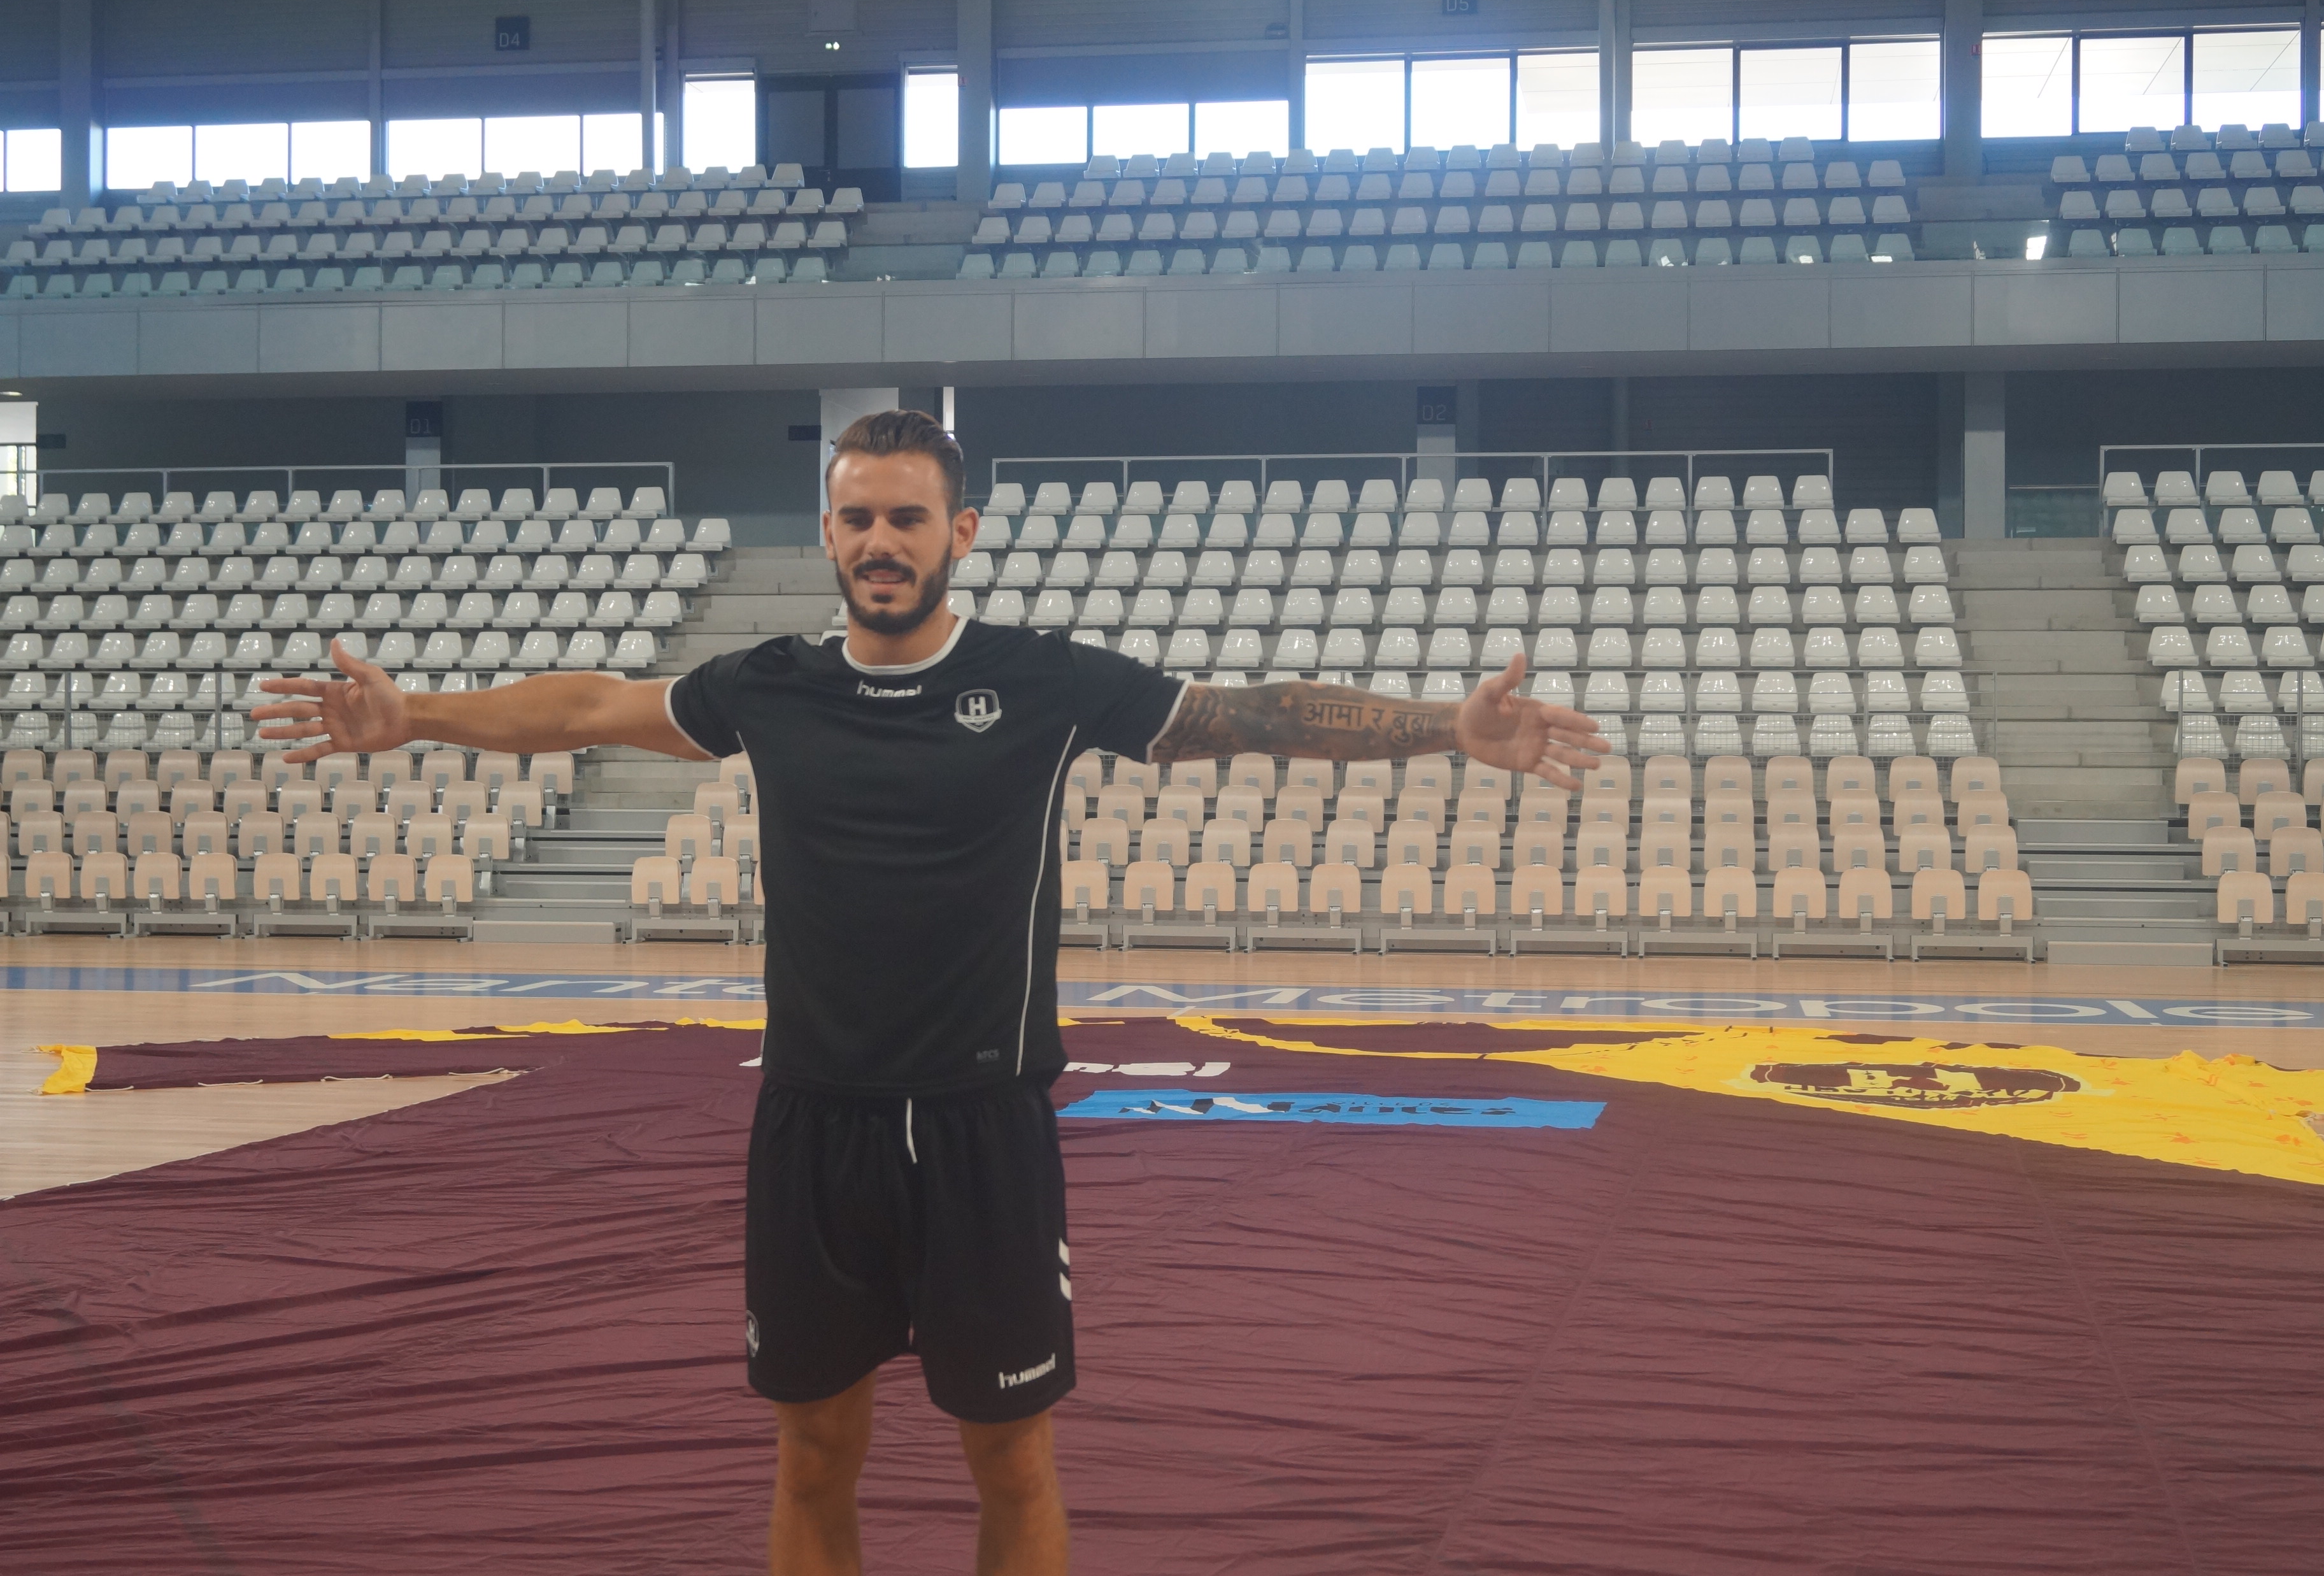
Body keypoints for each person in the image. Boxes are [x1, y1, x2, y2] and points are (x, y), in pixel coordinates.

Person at [250, 411, 1607, 1575]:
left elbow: (1250, 714)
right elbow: (591, 708)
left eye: (907, 518)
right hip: (814, 1124)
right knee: (811, 1452)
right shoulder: (764, 688)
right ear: (829, 533)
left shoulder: (1044, 680)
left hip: (982, 1127)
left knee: (1010, 1460)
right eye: (856, 520)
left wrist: (1445, 726)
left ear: (963, 532)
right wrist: (415, 712)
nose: (878, 543)